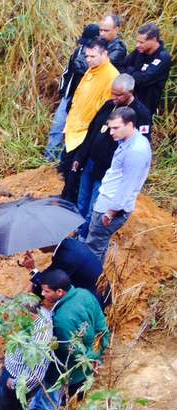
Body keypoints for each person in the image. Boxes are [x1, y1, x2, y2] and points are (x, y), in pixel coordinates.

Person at [19, 270, 109, 410]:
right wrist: (96, 354)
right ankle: (33, 407)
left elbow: (73, 352)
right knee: (46, 394)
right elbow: (101, 327)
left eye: (46, 291)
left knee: (50, 398)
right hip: (88, 359)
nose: (43, 294)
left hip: (63, 368)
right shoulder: (85, 294)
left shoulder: (61, 319)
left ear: (59, 292)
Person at [69, 74, 152, 238]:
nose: (114, 97)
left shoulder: (140, 113)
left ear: (130, 92)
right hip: (91, 161)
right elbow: (92, 132)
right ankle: (78, 231)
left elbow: (142, 143)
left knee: (95, 205)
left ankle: (85, 237)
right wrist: (80, 157)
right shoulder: (108, 105)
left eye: (118, 95)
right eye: (112, 93)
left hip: (109, 168)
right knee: (82, 200)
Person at [86, 106, 152, 263]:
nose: (111, 132)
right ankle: (96, 276)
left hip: (110, 207)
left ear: (130, 125)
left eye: (116, 128)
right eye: (110, 128)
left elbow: (127, 186)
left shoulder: (136, 151)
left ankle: (89, 281)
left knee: (93, 248)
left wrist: (110, 213)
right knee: (98, 245)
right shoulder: (130, 141)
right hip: (107, 201)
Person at [61, 38, 119, 177]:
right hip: (75, 126)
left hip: (87, 133)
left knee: (74, 171)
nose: (88, 59)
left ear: (104, 54)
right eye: (86, 56)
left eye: (93, 56)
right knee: (65, 168)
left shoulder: (112, 76)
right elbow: (79, 95)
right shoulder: (91, 70)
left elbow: (105, 111)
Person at [44, 24, 101, 162]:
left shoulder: (101, 57)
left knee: (75, 133)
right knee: (57, 128)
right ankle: (48, 161)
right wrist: (64, 92)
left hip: (85, 102)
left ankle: (64, 163)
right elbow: (67, 73)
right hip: (69, 96)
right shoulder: (77, 52)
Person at [21, 237, 104, 305]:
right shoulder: (68, 243)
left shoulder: (66, 258)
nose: (38, 247)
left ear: (50, 242)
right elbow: (51, 271)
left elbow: (48, 284)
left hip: (95, 300)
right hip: (96, 288)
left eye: (41, 243)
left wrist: (31, 268)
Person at [123, 23, 173, 116]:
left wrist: (131, 71)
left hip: (145, 106)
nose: (137, 45)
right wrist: (135, 72)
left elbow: (142, 79)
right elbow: (122, 67)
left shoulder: (163, 57)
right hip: (129, 100)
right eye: (137, 41)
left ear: (154, 39)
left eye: (141, 42)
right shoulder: (139, 51)